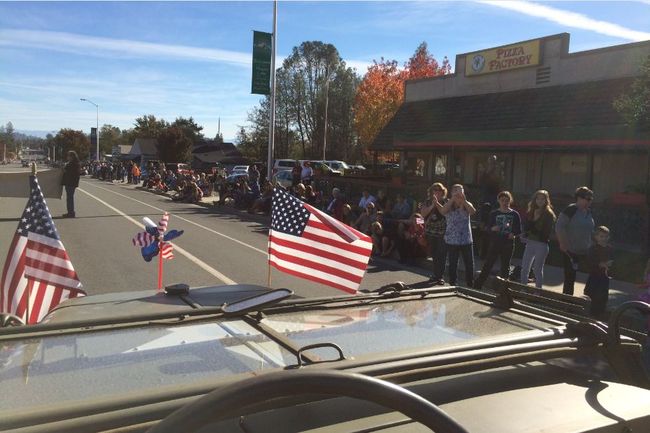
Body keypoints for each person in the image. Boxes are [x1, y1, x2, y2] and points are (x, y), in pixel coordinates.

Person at [474, 191, 522, 290]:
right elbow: (487, 228)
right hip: (495, 242)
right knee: (488, 264)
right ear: (499, 201)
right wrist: (492, 229)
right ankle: (478, 284)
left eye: (507, 200)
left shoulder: (515, 214)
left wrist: (513, 233)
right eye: (502, 200)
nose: (504, 202)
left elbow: (518, 229)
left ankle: (504, 289)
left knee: (505, 266)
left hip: (508, 243)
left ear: (510, 201)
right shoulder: (494, 213)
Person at [555, 186, 595, 295]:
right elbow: (559, 226)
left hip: (586, 250)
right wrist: (563, 243)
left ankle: (591, 299)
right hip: (571, 251)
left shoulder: (588, 212)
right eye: (587, 199)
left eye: (590, 199)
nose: (589, 201)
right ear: (579, 198)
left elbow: (590, 230)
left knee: (595, 273)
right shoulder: (571, 209)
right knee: (570, 277)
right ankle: (567, 302)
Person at [440, 184, 476, 287]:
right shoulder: (448, 204)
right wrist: (452, 199)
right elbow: (442, 211)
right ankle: (452, 284)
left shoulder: (466, 204)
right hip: (452, 240)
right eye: (455, 190)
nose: (457, 193)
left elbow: (473, 211)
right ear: (451, 193)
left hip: (466, 240)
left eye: (460, 190)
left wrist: (464, 201)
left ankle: (470, 284)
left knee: (469, 264)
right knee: (453, 264)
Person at [519, 190, 556, 290]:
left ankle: (538, 292)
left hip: (541, 244)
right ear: (535, 199)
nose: (540, 201)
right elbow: (527, 227)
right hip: (530, 243)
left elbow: (545, 233)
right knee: (525, 268)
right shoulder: (531, 210)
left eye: (542, 199)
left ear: (546, 200)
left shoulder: (548, 214)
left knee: (537, 270)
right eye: (538, 198)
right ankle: (523, 289)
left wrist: (536, 219)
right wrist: (524, 234)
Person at [421, 183, 448, 285]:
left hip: (442, 232)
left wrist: (437, 204)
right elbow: (423, 214)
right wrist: (433, 204)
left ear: (443, 192)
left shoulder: (446, 202)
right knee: (434, 255)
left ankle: (440, 276)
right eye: (435, 190)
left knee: (442, 255)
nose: (437, 192)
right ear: (431, 192)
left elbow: (445, 213)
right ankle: (435, 275)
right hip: (431, 232)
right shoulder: (427, 202)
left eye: (439, 190)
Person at [584, 226, 613, 318]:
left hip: (604, 276)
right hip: (594, 276)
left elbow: (613, 259)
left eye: (605, 237)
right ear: (596, 237)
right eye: (601, 236)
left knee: (603, 296)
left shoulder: (609, 248)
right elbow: (591, 261)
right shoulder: (593, 248)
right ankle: (590, 313)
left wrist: (610, 264)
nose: (603, 239)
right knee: (592, 294)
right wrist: (601, 264)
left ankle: (600, 313)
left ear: (608, 237)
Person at [61, 150, 81, 218]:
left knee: (70, 198)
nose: (67, 157)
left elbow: (71, 173)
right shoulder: (73, 163)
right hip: (70, 182)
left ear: (72, 156)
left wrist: (64, 169)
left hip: (71, 183)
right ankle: (70, 212)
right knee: (69, 198)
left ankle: (71, 212)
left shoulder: (74, 164)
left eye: (68, 155)